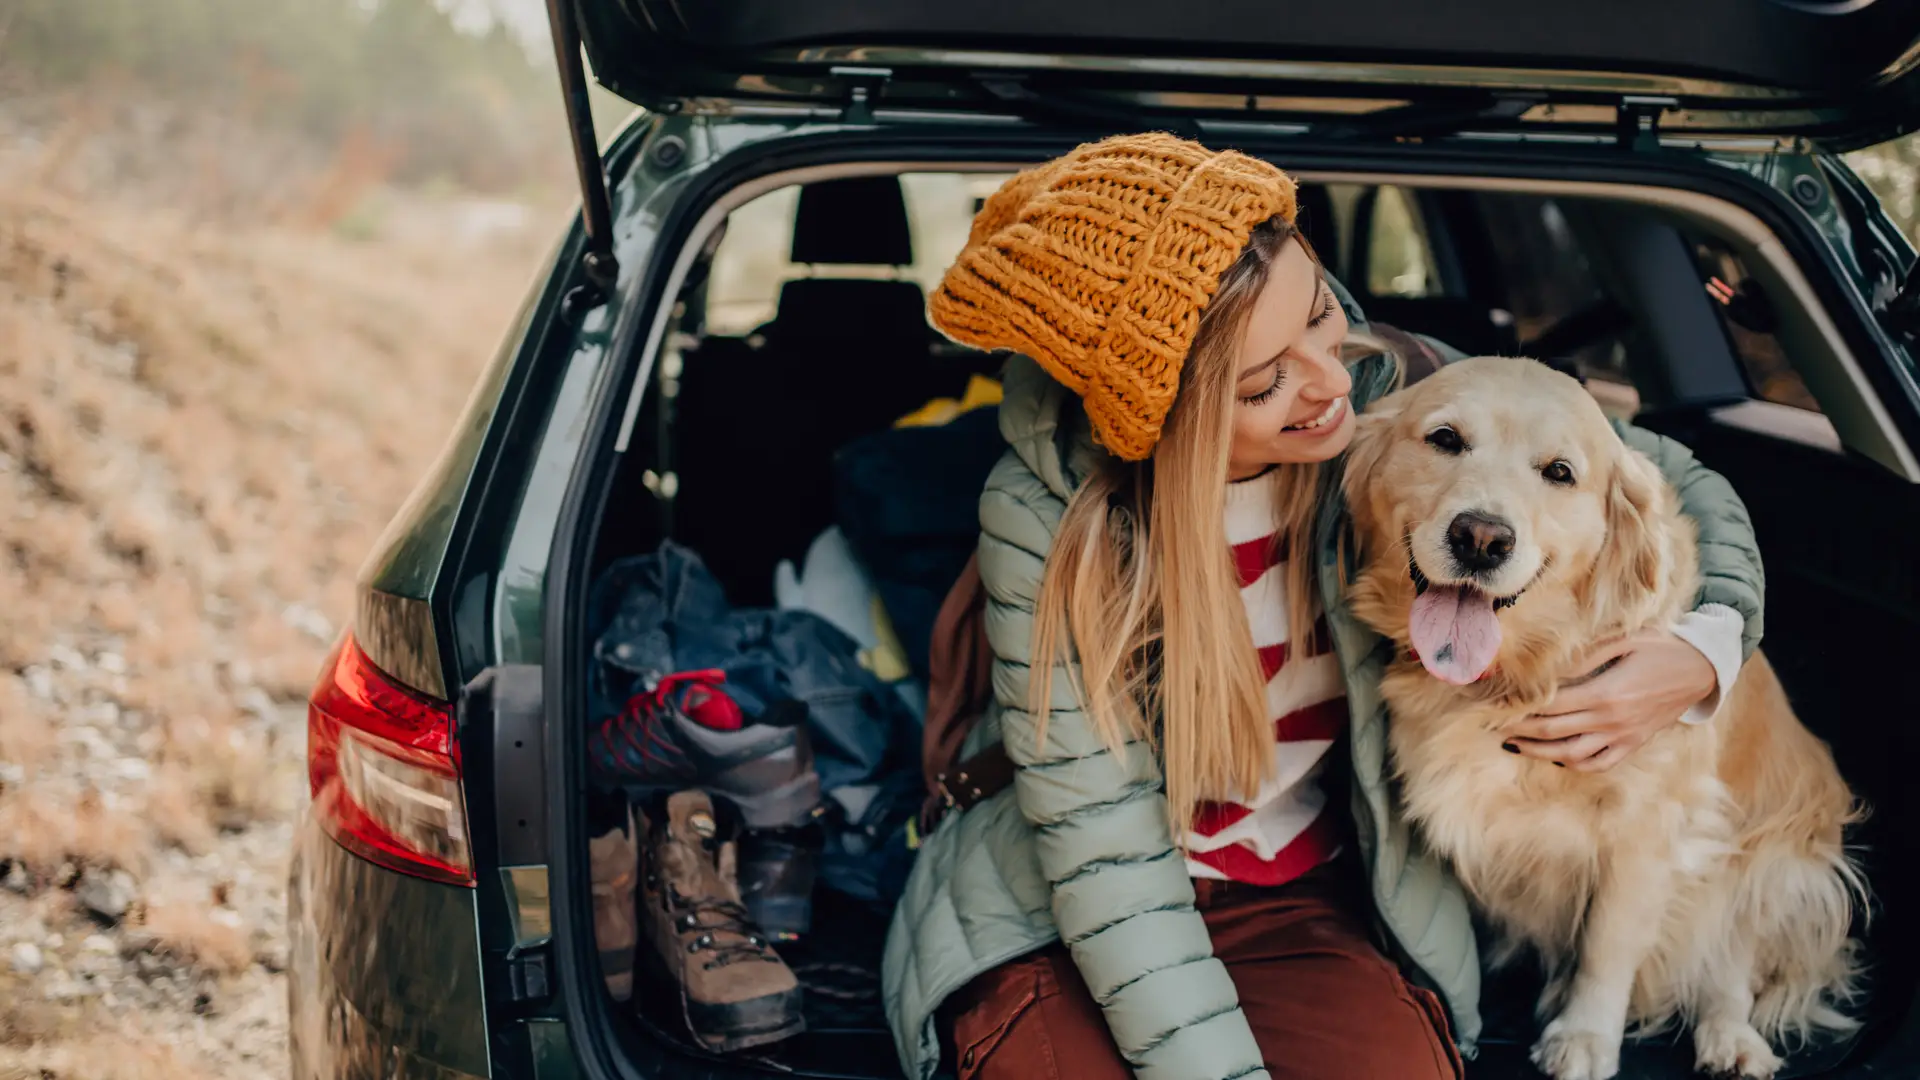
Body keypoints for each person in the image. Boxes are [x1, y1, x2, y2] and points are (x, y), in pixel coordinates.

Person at [880, 134, 1761, 1080]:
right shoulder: (1048, 521)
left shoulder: (1395, 392)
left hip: (1302, 888)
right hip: (1068, 896)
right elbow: (1108, 871)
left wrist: (1706, 651)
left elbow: (1675, 478)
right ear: (1165, 415)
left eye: (1318, 312)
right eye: (1266, 382)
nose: (1333, 378)